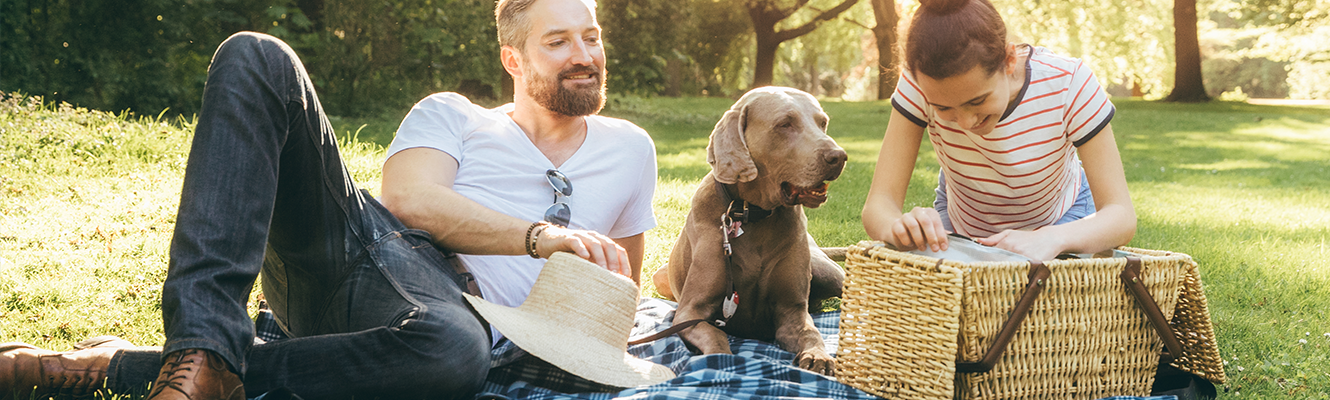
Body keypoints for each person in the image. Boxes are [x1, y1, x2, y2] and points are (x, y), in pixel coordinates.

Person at [0, 0, 656, 398]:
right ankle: (200, 341)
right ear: (513, 60)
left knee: (455, 355)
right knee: (257, 56)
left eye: (591, 36)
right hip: (370, 257)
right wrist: (539, 236)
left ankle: (157, 368)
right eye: (559, 40)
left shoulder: (632, 149)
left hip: (450, 337)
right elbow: (411, 200)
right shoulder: (455, 115)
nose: (584, 55)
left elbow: (618, 290)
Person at [861, 0, 1136, 261]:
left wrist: (1052, 238)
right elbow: (879, 206)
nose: (966, 123)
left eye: (977, 101)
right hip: (962, 225)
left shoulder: (1068, 84)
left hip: (1064, 222)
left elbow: (1120, 215)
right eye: (944, 109)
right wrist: (901, 228)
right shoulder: (919, 82)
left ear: (1009, 59)